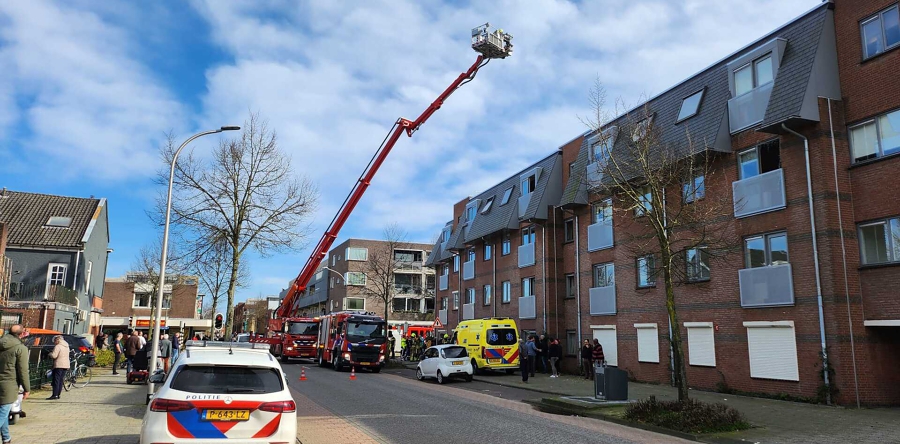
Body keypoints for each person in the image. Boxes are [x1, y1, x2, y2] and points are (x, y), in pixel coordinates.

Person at [0, 325, 30, 444]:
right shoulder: (20, 348)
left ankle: (6, 438)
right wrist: (27, 388)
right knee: (3, 413)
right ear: (21, 334)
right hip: (9, 384)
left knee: (4, 413)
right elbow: (23, 370)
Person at [48, 335, 70, 400]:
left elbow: (54, 356)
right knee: (60, 380)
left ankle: (54, 395)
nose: (54, 342)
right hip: (66, 365)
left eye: (55, 341)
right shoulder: (66, 346)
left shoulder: (58, 346)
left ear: (58, 340)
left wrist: (50, 354)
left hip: (59, 365)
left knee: (56, 380)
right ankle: (58, 394)